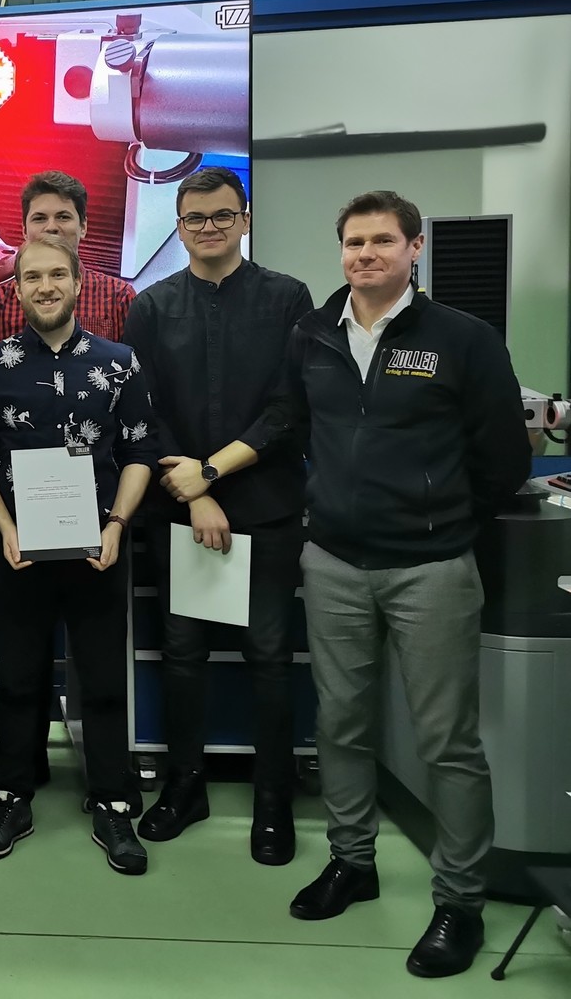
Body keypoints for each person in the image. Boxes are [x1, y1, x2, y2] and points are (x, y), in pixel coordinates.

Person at [192, 190, 530, 978]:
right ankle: (352, 861)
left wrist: (441, 522)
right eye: (353, 242)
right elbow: (289, 422)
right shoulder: (312, 333)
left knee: (446, 742)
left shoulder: (462, 339)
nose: (365, 254)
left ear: (414, 248)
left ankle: (458, 901)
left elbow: (503, 458)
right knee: (340, 726)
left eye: (382, 240)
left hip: (430, 569)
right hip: (334, 563)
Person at [119, 168, 313, 866]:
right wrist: (195, 491)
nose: (208, 228)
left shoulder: (288, 298)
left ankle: (273, 798)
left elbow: (289, 408)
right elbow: (144, 411)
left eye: (222, 215)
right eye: (195, 218)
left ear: (245, 218)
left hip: (266, 506)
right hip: (179, 507)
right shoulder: (150, 306)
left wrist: (212, 473)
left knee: (269, 655)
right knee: (183, 654)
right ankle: (184, 787)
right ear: (178, 226)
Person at [0, 234, 156, 876]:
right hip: (18, 549)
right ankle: (11, 797)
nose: (45, 287)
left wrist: (118, 524)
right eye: (32, 277)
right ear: (16, 289)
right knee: (18, 679)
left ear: (77, 283)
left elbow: (139, 452)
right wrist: (3, 525)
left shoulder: (118, 362)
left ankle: (113, 802)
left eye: (56, 276)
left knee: (102, 678)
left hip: (97, 548)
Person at [0, 171, 135, 353]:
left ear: (83, 227)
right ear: (24, 230)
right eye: (40, 218)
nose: (51, 227)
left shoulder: (118, 299)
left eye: (63, 217)